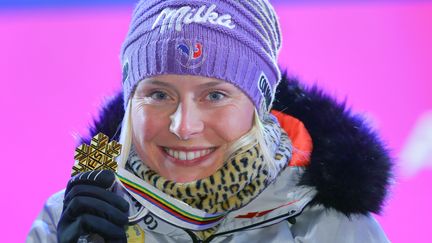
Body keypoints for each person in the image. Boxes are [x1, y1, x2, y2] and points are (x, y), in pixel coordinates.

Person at [27, 0, 393, 242]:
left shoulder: (336, 229)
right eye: (159, 95)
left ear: (258, 105)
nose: (184, 127)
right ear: (131, 101)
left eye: (215, 96)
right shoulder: (65, 219)